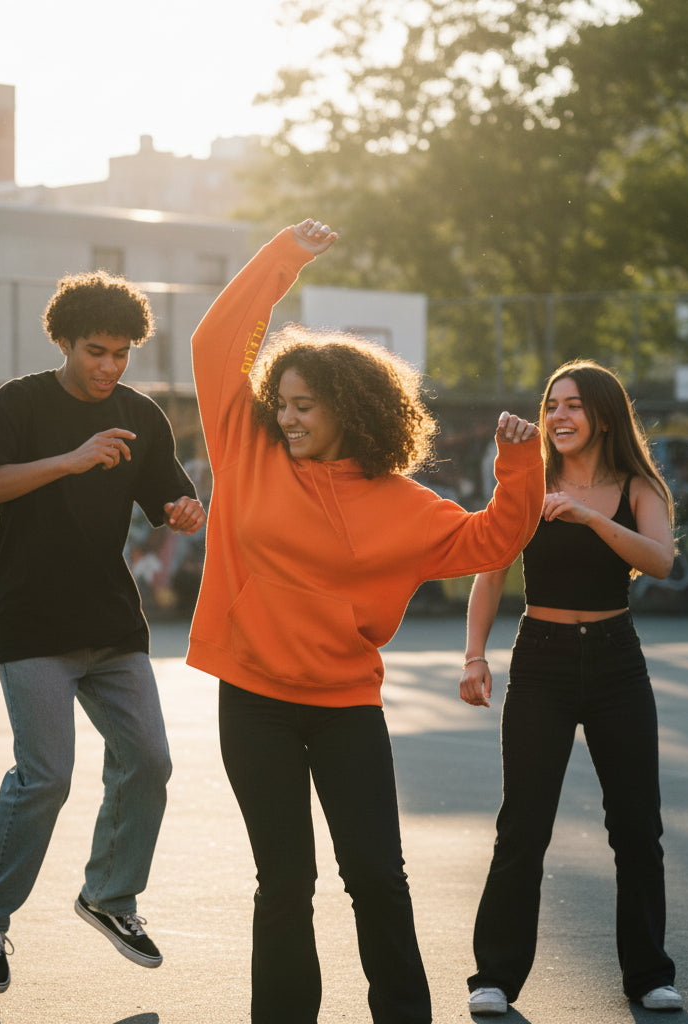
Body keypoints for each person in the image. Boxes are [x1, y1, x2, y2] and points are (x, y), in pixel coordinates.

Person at [186, 219, 545, 1024]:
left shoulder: (404, 506)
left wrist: (520, 465)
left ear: (350, 408)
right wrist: (284, 258)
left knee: (377, 874)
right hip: (254, 700)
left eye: (305, 406)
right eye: (283, 403)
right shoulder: (247, 449)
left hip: (346, 705)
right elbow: (215, 347)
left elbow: (493, 536)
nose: (287, 418)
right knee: (284, 884)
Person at [0, 268, 206, 994]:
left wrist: (187, 512)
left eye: (122, 353)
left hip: (109, 620)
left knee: (149, 761)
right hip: (29, 619)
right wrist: (68, 459)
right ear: (63, 340)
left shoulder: (141, 415)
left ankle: (110, 895)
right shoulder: (20, 403)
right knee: (47, 777)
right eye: (96, 350)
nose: (109, 366)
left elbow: (172, 501)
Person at [459, 359, 682, 1015]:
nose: (558, 415)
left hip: (617, 662)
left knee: (637, 827)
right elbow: (490, 572)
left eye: (573, 405)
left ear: (605, 416)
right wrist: (474, 657)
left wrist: (592, 521)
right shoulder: (532, 484)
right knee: (523, 826)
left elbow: (661, 560)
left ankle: (649, 974)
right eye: (552, 404)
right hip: (542, 661)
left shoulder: (638, 486)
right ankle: (494, 977)